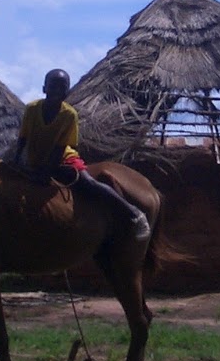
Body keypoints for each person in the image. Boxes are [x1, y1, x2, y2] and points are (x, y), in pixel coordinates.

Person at [13, 69, 150, 239]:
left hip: (63, 159)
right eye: (52, 86)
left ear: (67, 92)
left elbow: (60, 148)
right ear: (44, 88)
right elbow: (23, 138)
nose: (56, 91)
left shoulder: (69, 115)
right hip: (35, 159)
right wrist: (17, 161)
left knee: (88, 182)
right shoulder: (32, 109)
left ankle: (134, 214)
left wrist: (46, 172)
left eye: (61, 87)